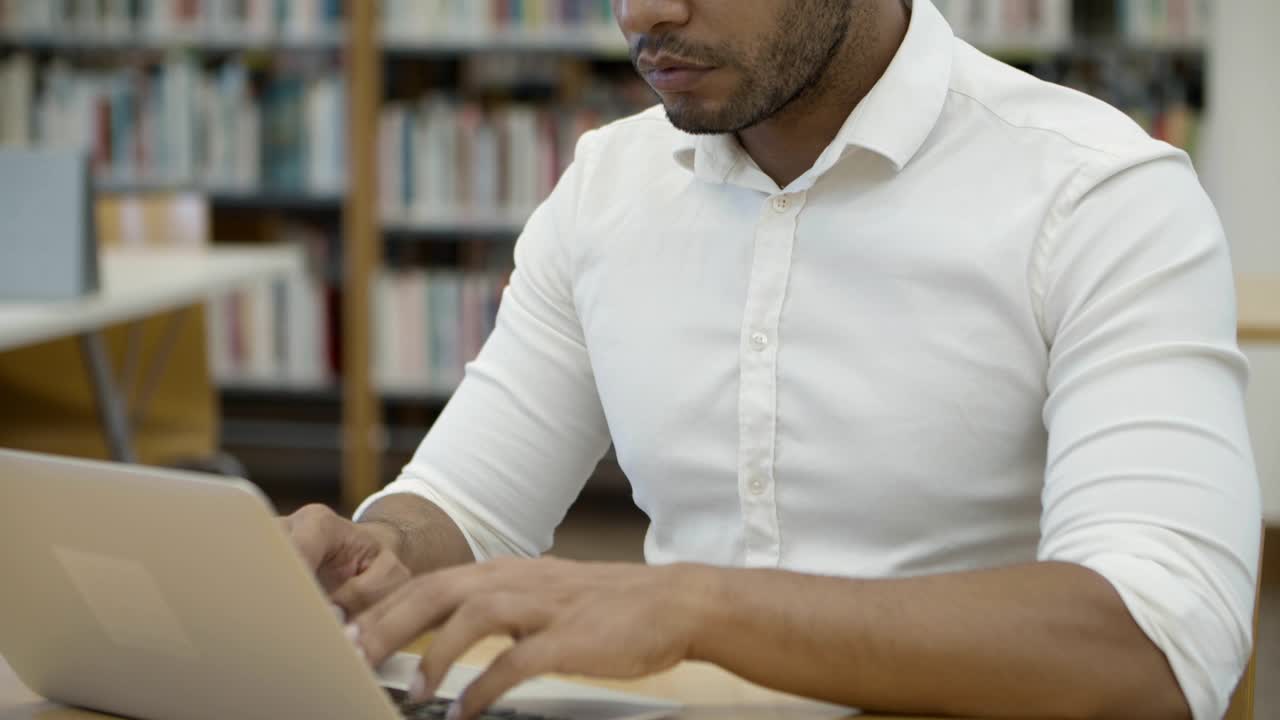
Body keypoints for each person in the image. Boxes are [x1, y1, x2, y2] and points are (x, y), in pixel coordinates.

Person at [286, 1, 1260, 718]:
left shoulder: (1096, 195)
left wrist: (697, 606)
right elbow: (468, 504)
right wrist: (389, 555)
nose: (643, 14)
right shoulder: (605, 188)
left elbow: (1155, 649)